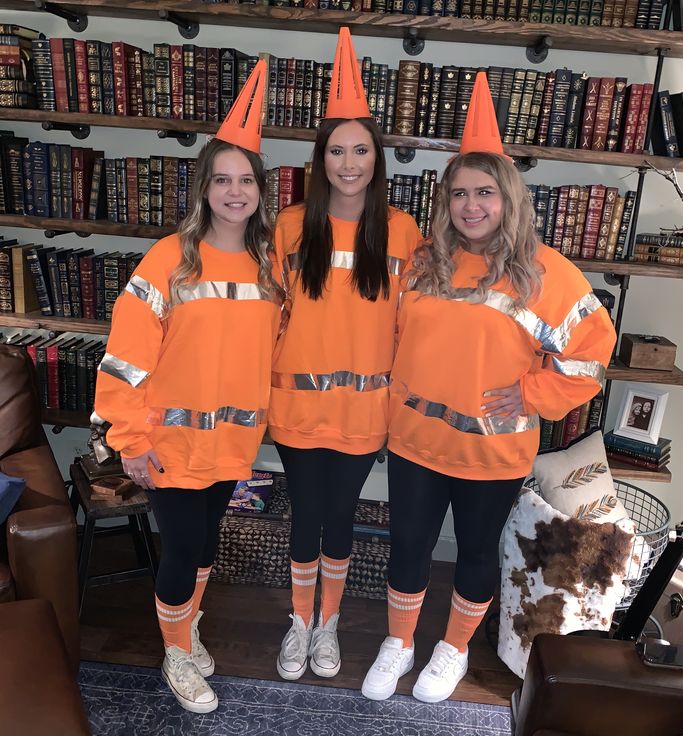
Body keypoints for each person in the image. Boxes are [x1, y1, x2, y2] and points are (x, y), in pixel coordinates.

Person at [361, 72, 617, 704]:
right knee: (409, 548)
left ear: (508, 199)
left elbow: (592, 352)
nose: (470, 207)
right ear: (444, 202)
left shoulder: (545, 272)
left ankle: (450, 651)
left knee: (475, 555)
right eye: (458, 195)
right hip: (416, 440)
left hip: (492, 452)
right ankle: (398, 642)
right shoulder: (425, 262)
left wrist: (532, 394)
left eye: (485, 193)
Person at [93, 61, 283, 713]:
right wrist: (129, 441)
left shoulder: (269, 264)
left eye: (246, 181)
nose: (235, 192)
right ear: (204, 188)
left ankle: (186, 627)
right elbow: (124, 359)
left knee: (206, 544)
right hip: (167, 444)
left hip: (232, 444)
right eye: (222, 179)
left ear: (261, 190)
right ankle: (176, 654)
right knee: (179, 551)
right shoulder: (167, 259)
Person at [269, 27, 422, 682]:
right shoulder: (288, 226)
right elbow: (267, 317)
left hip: (364, 415)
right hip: (296, 409)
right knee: (306, 516)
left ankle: (329, 621)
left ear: (376, 159)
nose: (350, 162)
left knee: (340, 520)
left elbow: (415, 327)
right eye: (338, 150)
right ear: (320, 157)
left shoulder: (403, 231)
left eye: (362, 150)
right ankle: (300, 622)